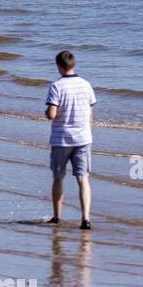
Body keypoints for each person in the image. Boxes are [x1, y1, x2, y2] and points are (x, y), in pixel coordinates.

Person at [45, 50, 97, 230]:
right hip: (83, 138)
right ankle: (86, 219)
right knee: (83, 179)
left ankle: (57, 217)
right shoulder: (86, 84)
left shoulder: (56, 86)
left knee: (58, 178)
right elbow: (90, 113)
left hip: (62, 139)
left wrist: (47, 112)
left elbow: (51, 114)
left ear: (58, 67)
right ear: (73, 65)